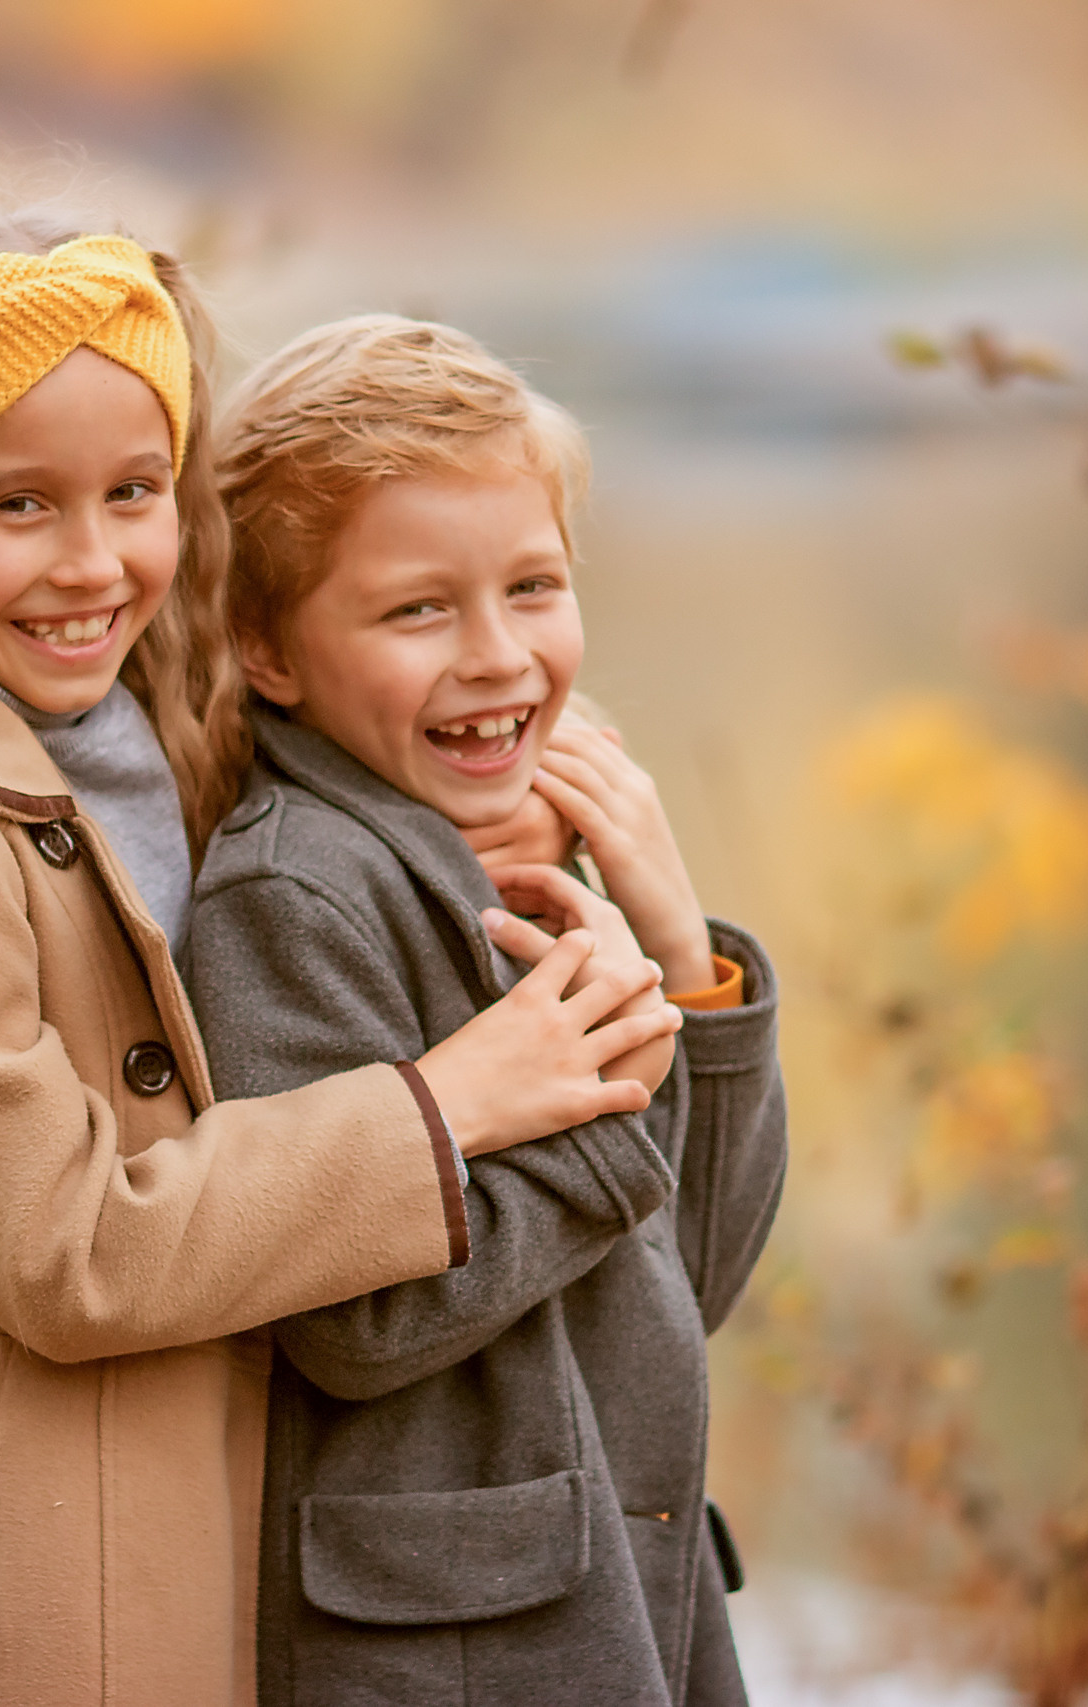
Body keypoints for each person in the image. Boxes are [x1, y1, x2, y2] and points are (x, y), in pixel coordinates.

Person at [0, 215, 676, 1706]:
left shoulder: (148, 755)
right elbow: (70, 1248)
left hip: (174, 1546)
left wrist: (611, 885)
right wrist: (448, 1103)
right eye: (18, 505)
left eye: (135, 493)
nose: (95, 561)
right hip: (0, 1598)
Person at [186, 314, 791, 1706]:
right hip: (449, 1654)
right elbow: (351, 1323)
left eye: (533, 588)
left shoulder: (518, 861)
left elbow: (687, 1276)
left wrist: (680, 950)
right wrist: (598, 1110)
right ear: (268, 651)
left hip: (622, 1615)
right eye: (417, 609)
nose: (498, 656)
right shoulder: (293, 896)